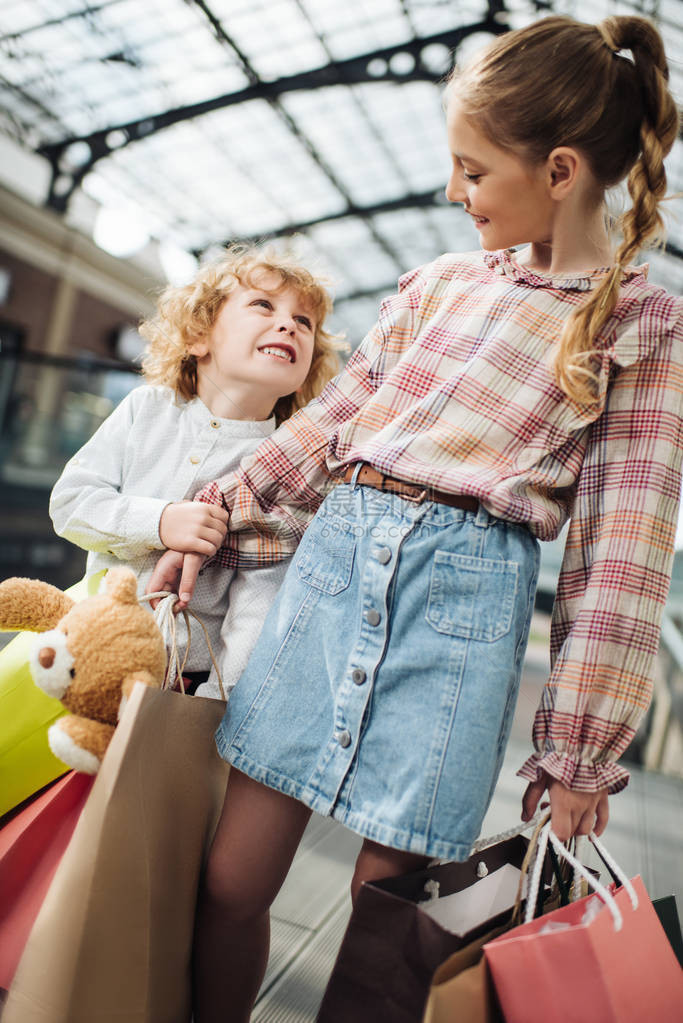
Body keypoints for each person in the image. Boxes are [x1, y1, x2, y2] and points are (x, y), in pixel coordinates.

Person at [148, 15, 682, 1021]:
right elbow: (335, 424)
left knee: (392, 921)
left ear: (559, 170)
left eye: (471, 171)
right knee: (229, 881)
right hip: (331, 573)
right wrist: (214, 512)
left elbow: (621, 552)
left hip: (461, 617)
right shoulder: (432, 286)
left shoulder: (638, 327)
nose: (452, 193)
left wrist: (579, 752)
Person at [50, 246, 343, 694]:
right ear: (198, 337)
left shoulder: (287, 470)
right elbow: (69, 504)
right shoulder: (145, 410)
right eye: (263, 305)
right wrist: (161, 521)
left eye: (305, 322)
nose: (289, 324)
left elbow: (257, 605)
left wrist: (215, 702)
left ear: (304, 374)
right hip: (86, 650)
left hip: (182, 685)